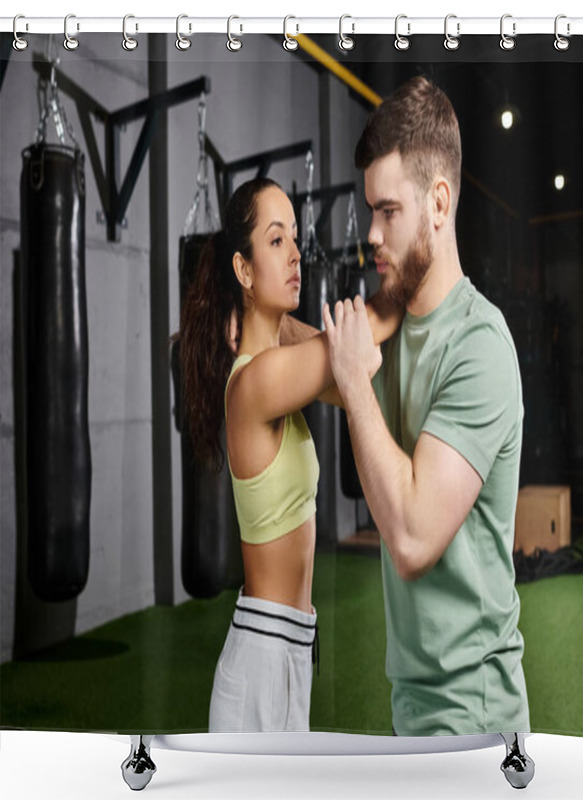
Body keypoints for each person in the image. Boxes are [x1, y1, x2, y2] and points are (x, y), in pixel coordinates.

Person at [323, 76, 530, 736]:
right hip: (412, 699)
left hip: (473, 708)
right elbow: (318, 358)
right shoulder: (390, 324)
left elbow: (412, 538)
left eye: (389, 212)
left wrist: (356, 385)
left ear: (438, 203)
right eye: (370, 212)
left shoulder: (480, 345)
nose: (372, 235)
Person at [177, 177, 396, 732]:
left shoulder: (274, 369)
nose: (297, 253)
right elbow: (364, 335)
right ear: (243, 270)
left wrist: (265, 323)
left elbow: (349, 376)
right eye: (276, 241)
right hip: (261, 660)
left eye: (295, 238)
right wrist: (415, 258)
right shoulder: (258, 382)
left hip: (290, 649)